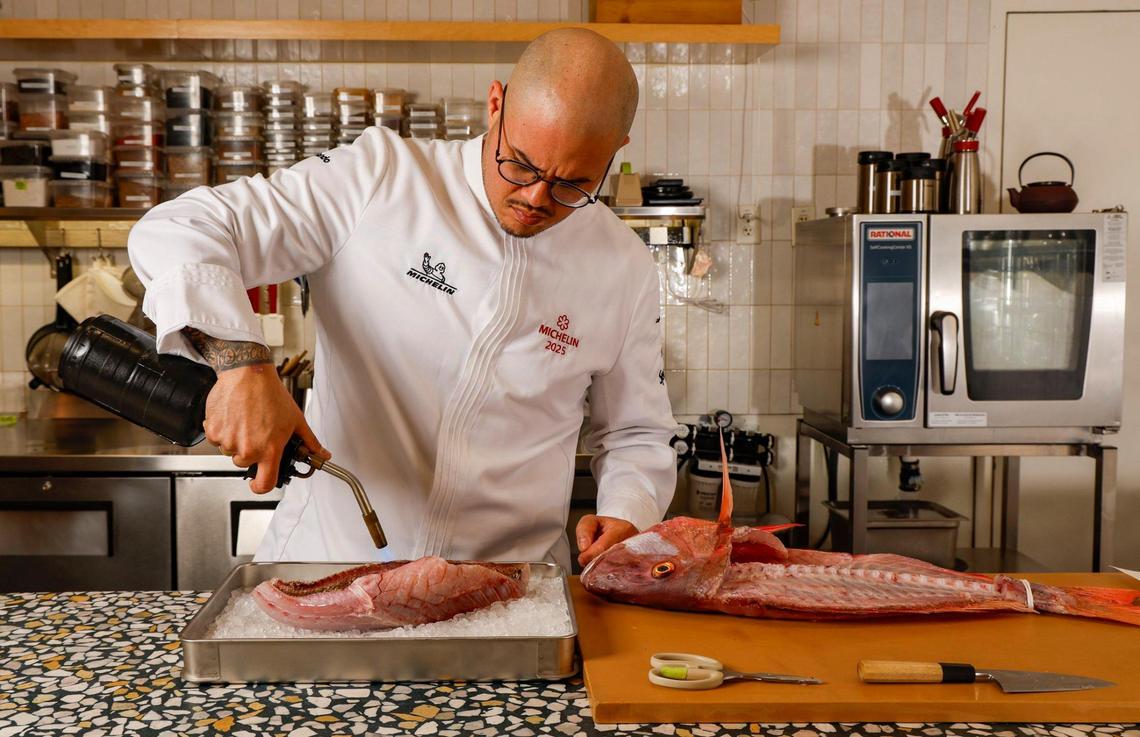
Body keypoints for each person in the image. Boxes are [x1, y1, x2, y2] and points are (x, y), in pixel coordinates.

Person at [128, 28, 677, 572]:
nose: (536, 198)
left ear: (616, 151)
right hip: (331, 569)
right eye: (522, 164)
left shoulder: (622, 264)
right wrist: (241, 365)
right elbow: (182, 227)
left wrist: (628, 512)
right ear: (495, 104)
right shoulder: (380, 177)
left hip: (508, 591)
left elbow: (636, 432)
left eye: (572, 184)